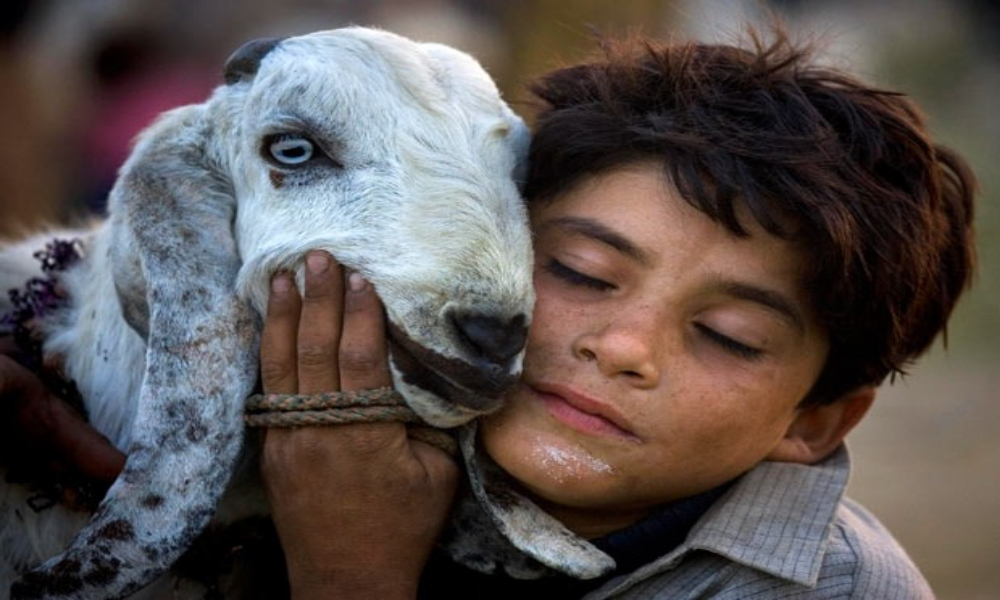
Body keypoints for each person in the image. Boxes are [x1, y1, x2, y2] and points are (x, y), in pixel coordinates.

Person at [1, 24, 976, 599]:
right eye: (581, 273)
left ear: (815, 421)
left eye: (729, 336)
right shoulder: (411, 416)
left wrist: (353, 573)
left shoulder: (836, 591)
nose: (623, 347)